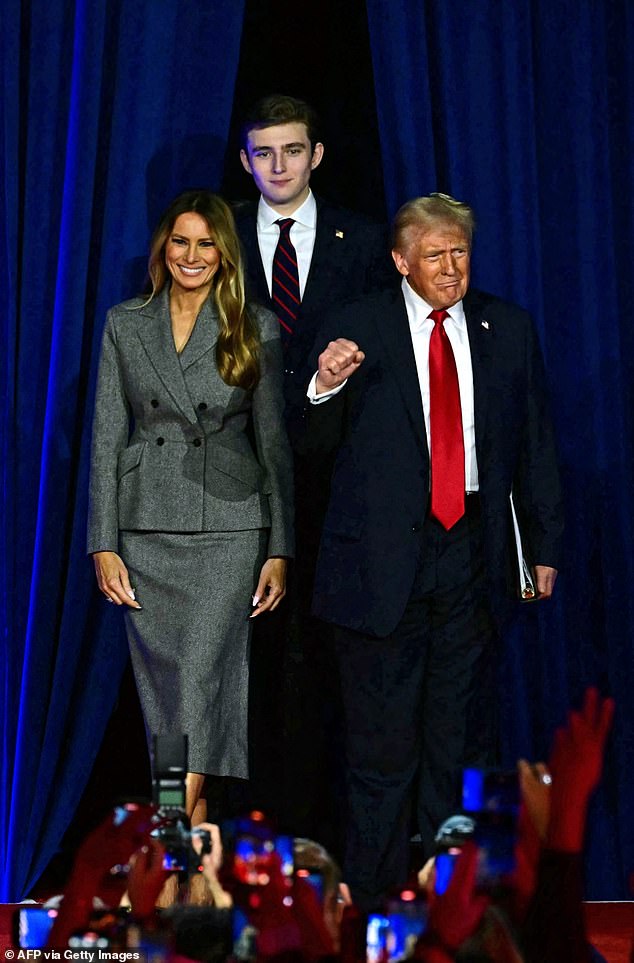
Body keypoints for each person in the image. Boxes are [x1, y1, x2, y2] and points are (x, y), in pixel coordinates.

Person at [302, 193, 564, 909]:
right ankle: (381, 899)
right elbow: (309, 447)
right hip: (380, 564)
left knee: (458, 742)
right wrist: (324, 385)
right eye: (435, 256)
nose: (451, 269)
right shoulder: (358, 325)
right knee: (382, 749)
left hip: (472, 553)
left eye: (460, 254)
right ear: (400, 261)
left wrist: (542, 547)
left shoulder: (505, 327)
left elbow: (535, 444)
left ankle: (447, 901)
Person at [87, 190, 294, 823]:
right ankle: (189, 855)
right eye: (181, 241)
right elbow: (105, 437)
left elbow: (274, 442)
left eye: (206, 244)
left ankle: (167, 828)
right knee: (169, 699)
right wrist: (103, 542)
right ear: (163, 247)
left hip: (228, 532)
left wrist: (280, 548)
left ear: (224, 253)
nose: (192, 255)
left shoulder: (252, 324)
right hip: (146, 528)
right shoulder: (126, 322)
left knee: (199, 685)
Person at [234, 93, 392, 843]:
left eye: (292, 151)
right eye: (263, 153)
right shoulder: (220, 236)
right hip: (237, 483)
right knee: (248, 668)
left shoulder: (362, 241)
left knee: (330, 665)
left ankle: (328, 841)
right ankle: (251, 835)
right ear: (245, 160)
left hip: (336, 483)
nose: (278, 166)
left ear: (317, 155)